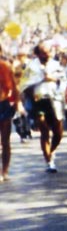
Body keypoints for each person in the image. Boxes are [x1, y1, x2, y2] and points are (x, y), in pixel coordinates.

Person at [20, 43, 66, 172]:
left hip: (54, 100)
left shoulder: (55, 65)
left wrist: (52, 79)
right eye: (44, 53)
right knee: (44, 130)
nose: (48, 55)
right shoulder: (31, 67)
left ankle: (51, 151)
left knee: (58, 132)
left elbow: (63, 81)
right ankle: (49, 162)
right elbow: (24, 85)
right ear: (38, 54)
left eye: (48, 52)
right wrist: (31, 92)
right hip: (39, 101)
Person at [0, 48, 22, 181]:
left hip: (3, 105)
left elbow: (14, 87)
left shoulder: (5, 67)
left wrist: (18, 103)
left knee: (5, 141)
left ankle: (4, 171)